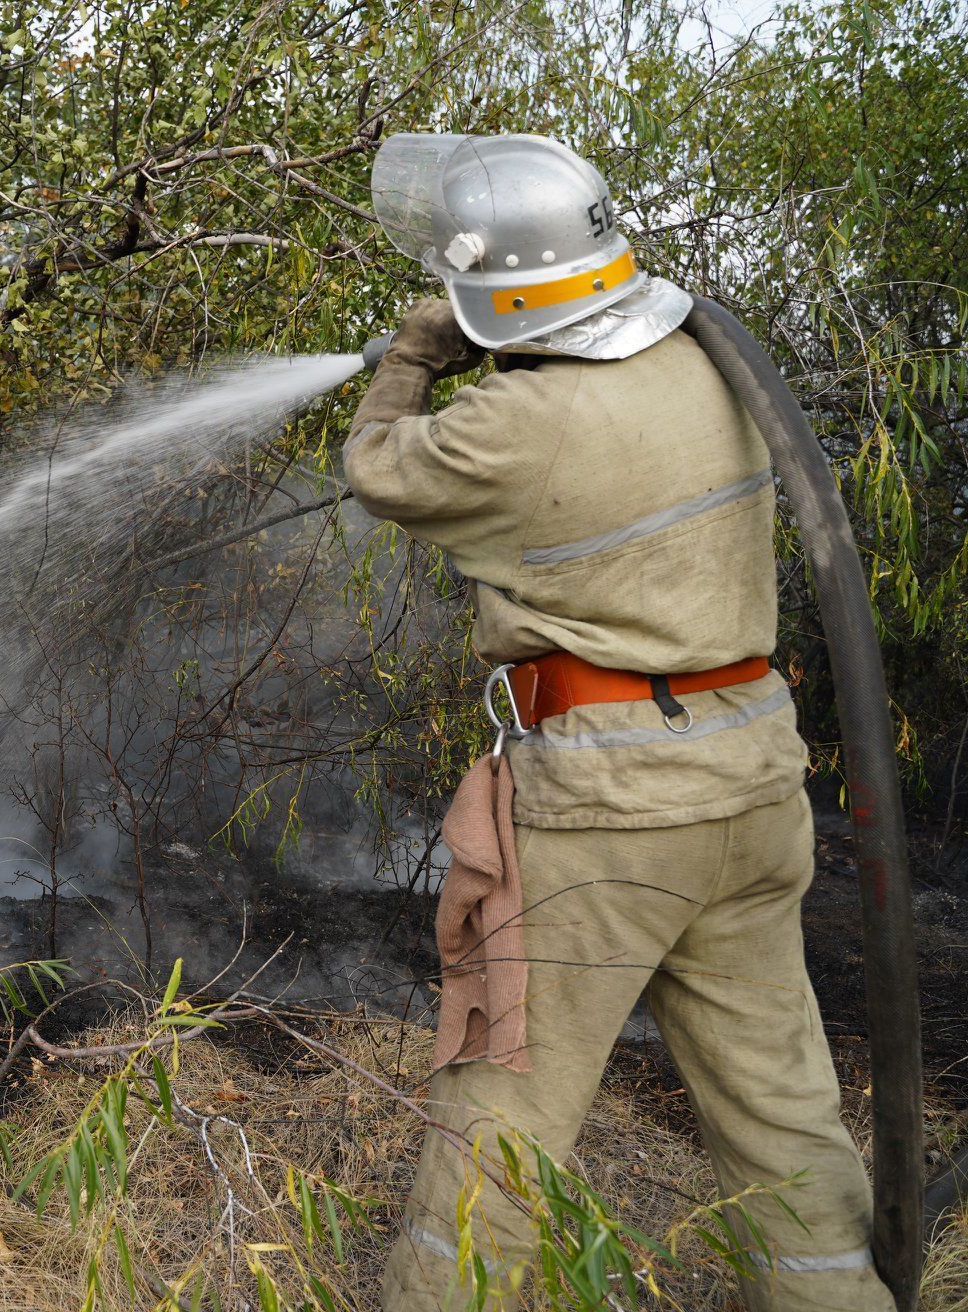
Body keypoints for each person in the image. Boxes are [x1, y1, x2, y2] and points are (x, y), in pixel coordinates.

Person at [344, 132, 895, 1311]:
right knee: (778, 1101)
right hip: (751, 784)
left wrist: (412, 351)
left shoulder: (512, 425)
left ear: (489, 296)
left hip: (610, 812)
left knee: (500, 1105)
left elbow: (380, 467)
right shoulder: (712, 365)